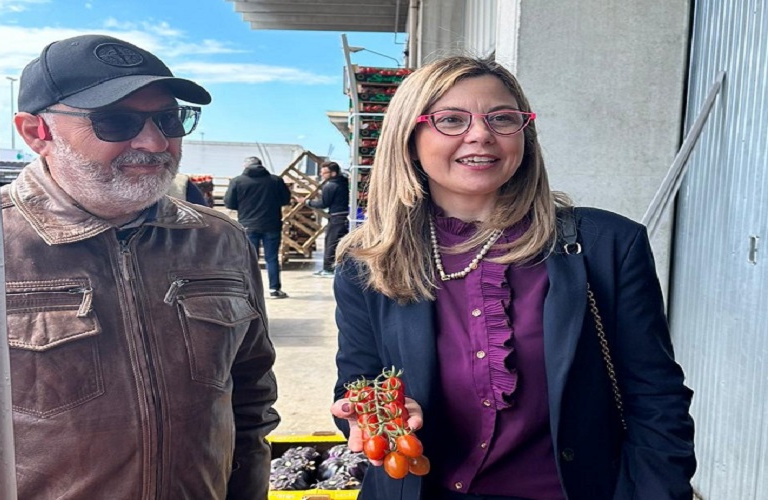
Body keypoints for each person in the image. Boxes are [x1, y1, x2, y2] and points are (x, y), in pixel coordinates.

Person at [329, 56, 696, 500]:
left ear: (525, 135)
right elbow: (359, 384)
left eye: (502, 118)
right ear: (409, 140)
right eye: (451, 120)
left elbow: (657, 400)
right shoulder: (369, 262)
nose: (481, 134)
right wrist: (372, 415)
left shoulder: (607, 246)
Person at [0, 34, 279, 499]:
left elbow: (251, 402)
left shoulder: (219, 241)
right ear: (35, 132)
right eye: (115, 121)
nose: (154, 142)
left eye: (169, 119)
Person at [224, 156, 291, 299]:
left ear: (245, 167)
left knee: (249, 259)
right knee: (272, 258)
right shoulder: (276, 181)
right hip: (272, 224)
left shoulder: (237, 181)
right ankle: (274, 289)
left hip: (248, 225)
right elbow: (285, 200)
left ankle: (250, 291)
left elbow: (229, 203)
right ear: (261, 165)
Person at [298, 161, 350, 277]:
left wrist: (307, 202)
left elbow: (323, 203)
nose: (322, 175)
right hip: (343, 216)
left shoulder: (330, 185)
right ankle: (335, 268)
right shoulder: (343, 182)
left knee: (330, 243)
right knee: (338, 243)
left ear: (333, 173)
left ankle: (328, 269)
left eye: (324, 172)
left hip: (336, 217)